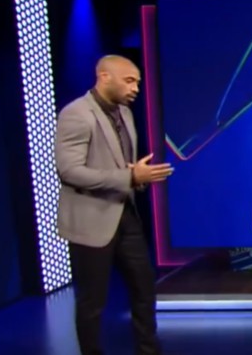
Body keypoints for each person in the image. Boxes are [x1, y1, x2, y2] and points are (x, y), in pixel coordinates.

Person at [54, 55, 174, 355]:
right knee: (92, 301)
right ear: (104, 77)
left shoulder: (125, 113)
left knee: (144, 288)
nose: (135, 89)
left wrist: (137, 177)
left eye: (138, 83)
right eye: (129, 81)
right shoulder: (77, 114)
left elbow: (121, 164)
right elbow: (69, 171)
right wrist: (129, 177)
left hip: (126, 216)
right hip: (91, 220)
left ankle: (148, 350)